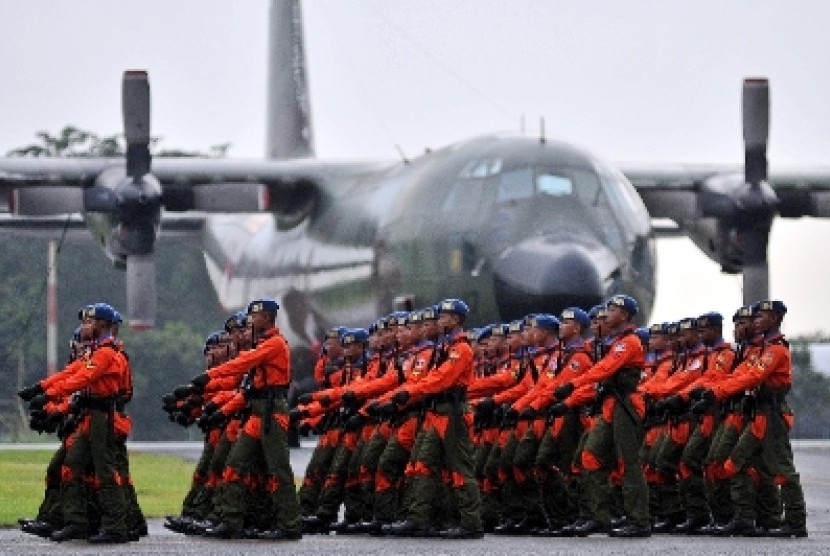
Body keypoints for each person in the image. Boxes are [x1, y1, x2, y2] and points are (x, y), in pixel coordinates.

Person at [191, 298, 301, 540]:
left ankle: (289, 524)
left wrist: (209, 377)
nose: (250, 320)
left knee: (277, 468)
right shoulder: (261, 344)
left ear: (268, 318)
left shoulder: (273, 344)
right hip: (257, 410)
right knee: (235, 463)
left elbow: (243, 363)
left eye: (255, 316)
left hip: (272, 411)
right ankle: (230, 520)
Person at [555, 294, 651, 538]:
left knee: (629, 462)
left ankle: (639, 520)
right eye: (609, 308)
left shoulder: (628, 342)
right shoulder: (611, 342)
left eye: (615, 309)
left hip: (626, 405)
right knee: (589, 456)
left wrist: (574, 384)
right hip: (610, 405)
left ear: (626, 316)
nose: (608, 313)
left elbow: (605, 369)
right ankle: (599, 517)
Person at [386, 298, 483, 539]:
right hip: (436, 411)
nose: (439, 320)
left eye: (444, 317)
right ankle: (419, 518)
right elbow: (427, 378)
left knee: (460, 469)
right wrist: (406, 393)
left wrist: (410, 392)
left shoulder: (460, 349)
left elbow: (442, 379)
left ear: (456, 320)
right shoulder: (444, 347)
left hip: (452, 413)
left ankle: (471, 522)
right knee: (422, 463)